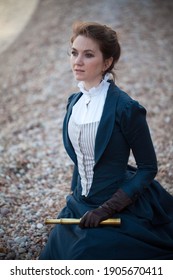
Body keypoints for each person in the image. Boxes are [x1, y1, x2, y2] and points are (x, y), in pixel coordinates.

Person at [39, 22, 173, 260]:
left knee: (85, 256)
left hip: (117, 205)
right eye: (74, 52)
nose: (77, 61)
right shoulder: (74, 103)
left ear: (107, 62)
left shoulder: (126, 108)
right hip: (79, 204)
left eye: (88, 54)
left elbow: (148, 168)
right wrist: (76, 193)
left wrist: (106, 209)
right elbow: (81, 156)